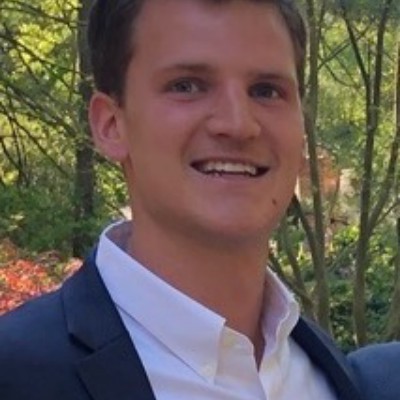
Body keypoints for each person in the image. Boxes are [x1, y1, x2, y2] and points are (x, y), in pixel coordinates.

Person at [0, 0, 369, 399]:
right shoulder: (17, 375)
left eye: (266, 91)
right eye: (187, 86)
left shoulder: (340, 378)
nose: (237, 124)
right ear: (110, 124)